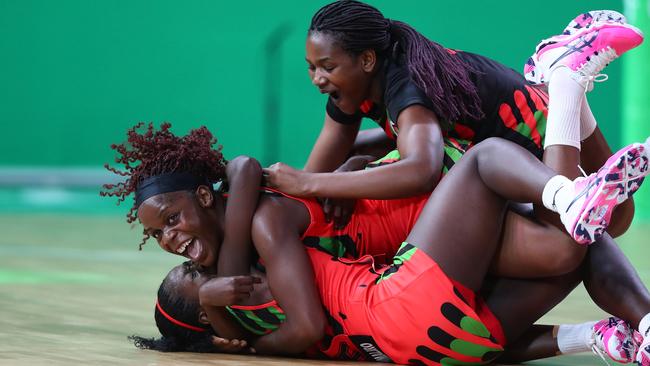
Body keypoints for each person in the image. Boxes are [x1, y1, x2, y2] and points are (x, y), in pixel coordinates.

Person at [131, 137, 650, 364]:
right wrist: (218, 300)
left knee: (574, 247)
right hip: (404, 296)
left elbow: (243, 186)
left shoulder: (245, 288)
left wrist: (347, 169)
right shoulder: (245, 270)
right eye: (192, 275)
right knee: (491, 157)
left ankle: (624, 336)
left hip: (432, 349)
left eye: (168, 228)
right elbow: (243, 168)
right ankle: (567, 141)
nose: (175, 245)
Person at [261, 2, 644, 276]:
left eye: (327, 67)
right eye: (311, 68)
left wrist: (312, 182)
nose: (317, 79)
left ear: (366, 60)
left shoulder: (407, 85)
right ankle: (561, 79)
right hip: (533, 114)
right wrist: (334, 172)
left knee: (592, 231)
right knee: (617, 218)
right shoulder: (357, 88)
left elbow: (421, 169)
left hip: (539, 135)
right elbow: (322, 168)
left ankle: (565, 81)